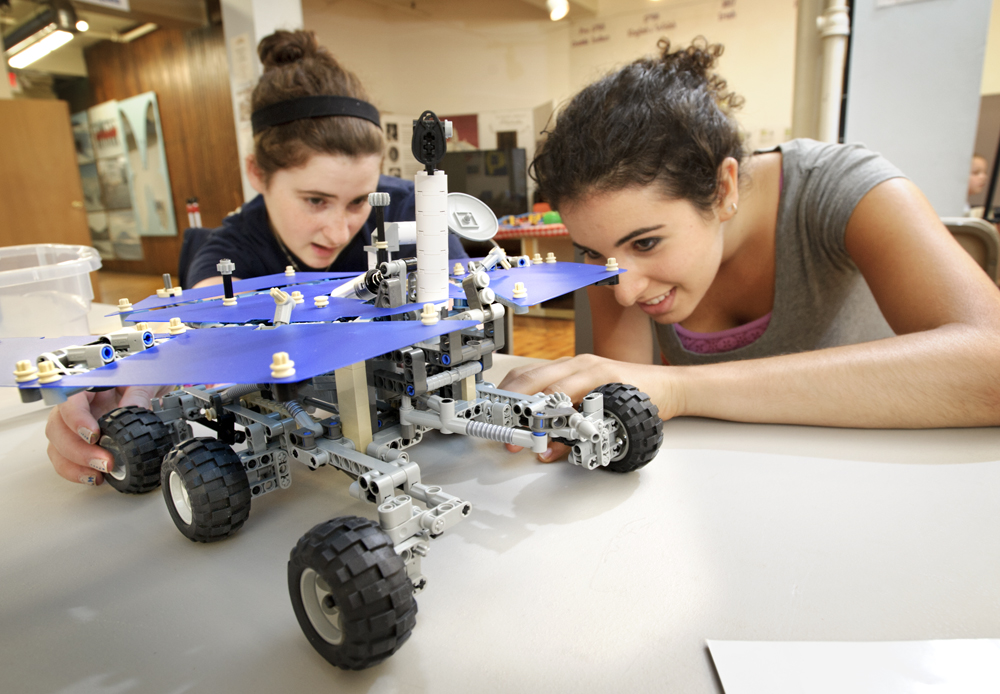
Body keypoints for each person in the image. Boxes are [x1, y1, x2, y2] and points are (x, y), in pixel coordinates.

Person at [501, 38, 1000, 462]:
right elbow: (622, 399)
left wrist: (680, 388)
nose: (625, 291)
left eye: (647, 243)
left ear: (723, 190)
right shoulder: (615, 254)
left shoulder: (847, 190)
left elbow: (991, 364)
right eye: (592, 252)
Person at [46, 29, 466, 485]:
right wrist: (133, 382)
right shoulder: (235, 245)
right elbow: (190, 320)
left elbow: (465, 321)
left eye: (359, 200)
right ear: (257, 174)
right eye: (315, 200)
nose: (339, 229)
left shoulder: (412, 212)